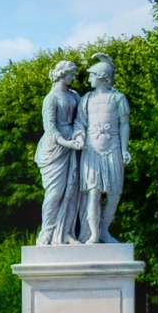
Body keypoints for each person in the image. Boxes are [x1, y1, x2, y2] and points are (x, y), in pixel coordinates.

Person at [76, 53, 131, 244]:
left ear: (101, 77)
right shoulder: (86, 99)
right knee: (93, 192)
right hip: (91, 150)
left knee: (114, 194)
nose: (89, 78)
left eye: (92, 75)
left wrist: (125, 149)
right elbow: (79, 125)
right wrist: (79, 139)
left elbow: (124, 124)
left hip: (113, 148)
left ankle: (104, 230)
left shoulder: (118, 98)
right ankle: (93, 234)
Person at [35, 59, 84, 245]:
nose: (73, 77)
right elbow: (50, 128)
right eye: (71, 74)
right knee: (55, 192)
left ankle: (65, 232)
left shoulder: (74, 96)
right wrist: (68, 143)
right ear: (62, 74)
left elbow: (80, 119)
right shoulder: (51, 98)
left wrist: (78, 135)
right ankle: (46, 232)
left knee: (71, 191)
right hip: (55, 148)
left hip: (72, 143)